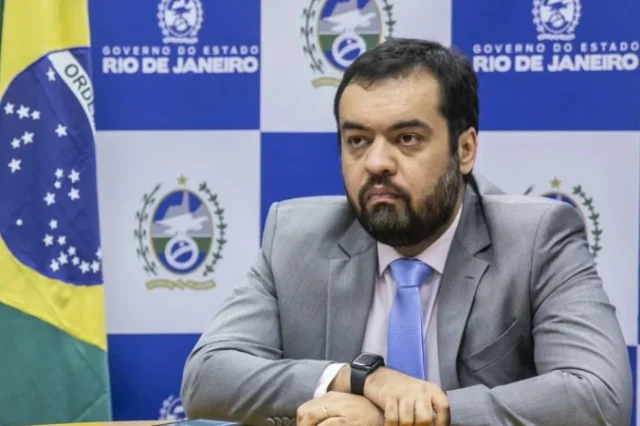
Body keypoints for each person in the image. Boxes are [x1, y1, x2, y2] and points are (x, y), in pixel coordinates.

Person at [180, 38, 632, 426]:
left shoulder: (537, 238)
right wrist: (358, 380)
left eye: (407, 139)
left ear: (465, 150)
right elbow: (206, 377)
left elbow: (599, 395)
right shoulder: (295, 238)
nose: (376, 162)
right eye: (357, 141)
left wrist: (410, 417)